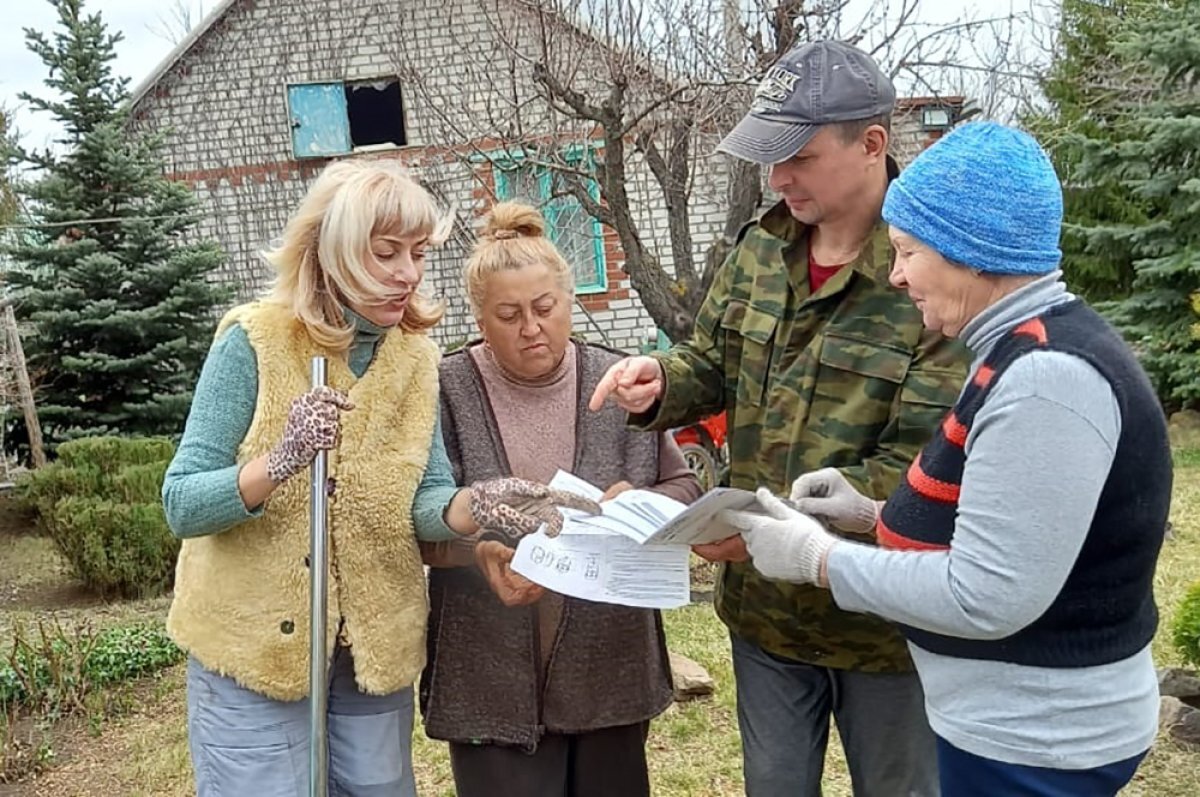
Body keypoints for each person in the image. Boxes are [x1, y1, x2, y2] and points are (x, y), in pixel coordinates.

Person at [728, 121, 1172, 797]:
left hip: (1038, 746)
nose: (896, 274)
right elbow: (1009, 522)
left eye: (909, 252)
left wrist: (818, 559)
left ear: (971, 252)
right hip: (1014, 731)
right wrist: (869, 513)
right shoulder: (1016, 350)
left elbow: (987, 595)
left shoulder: (1046, 380)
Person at [589, 40, 968, 797]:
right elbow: (712, 361)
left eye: (798, 155)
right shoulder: (761, 249)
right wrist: (661, 380)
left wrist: (773, 525)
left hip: (882, 622)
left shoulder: (931, 271)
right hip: (766, 617)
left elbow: (923, 465)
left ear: (872, 143)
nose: (777, 177)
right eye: (771, 156)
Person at [161, 160, 596, 797]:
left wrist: (478, 503)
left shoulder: (414, 359)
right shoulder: (254, 341)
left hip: (372, 648)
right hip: (255, 649)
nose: (408, 273)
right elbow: (181, 502)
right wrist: (280, 461)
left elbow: (423, 501)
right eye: (385, 253)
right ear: (332, 251)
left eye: (417, 253)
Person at [419, 201, 702, 797]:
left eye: (545, 308)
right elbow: (422, 522)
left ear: (568, 301)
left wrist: (638, 503)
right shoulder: (447, 390)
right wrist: (479, 551)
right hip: (488, 675)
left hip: (610, 664)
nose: (531, 328)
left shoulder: (617, 381)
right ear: (480, 318)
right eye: (509, 315)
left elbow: (685, 488)